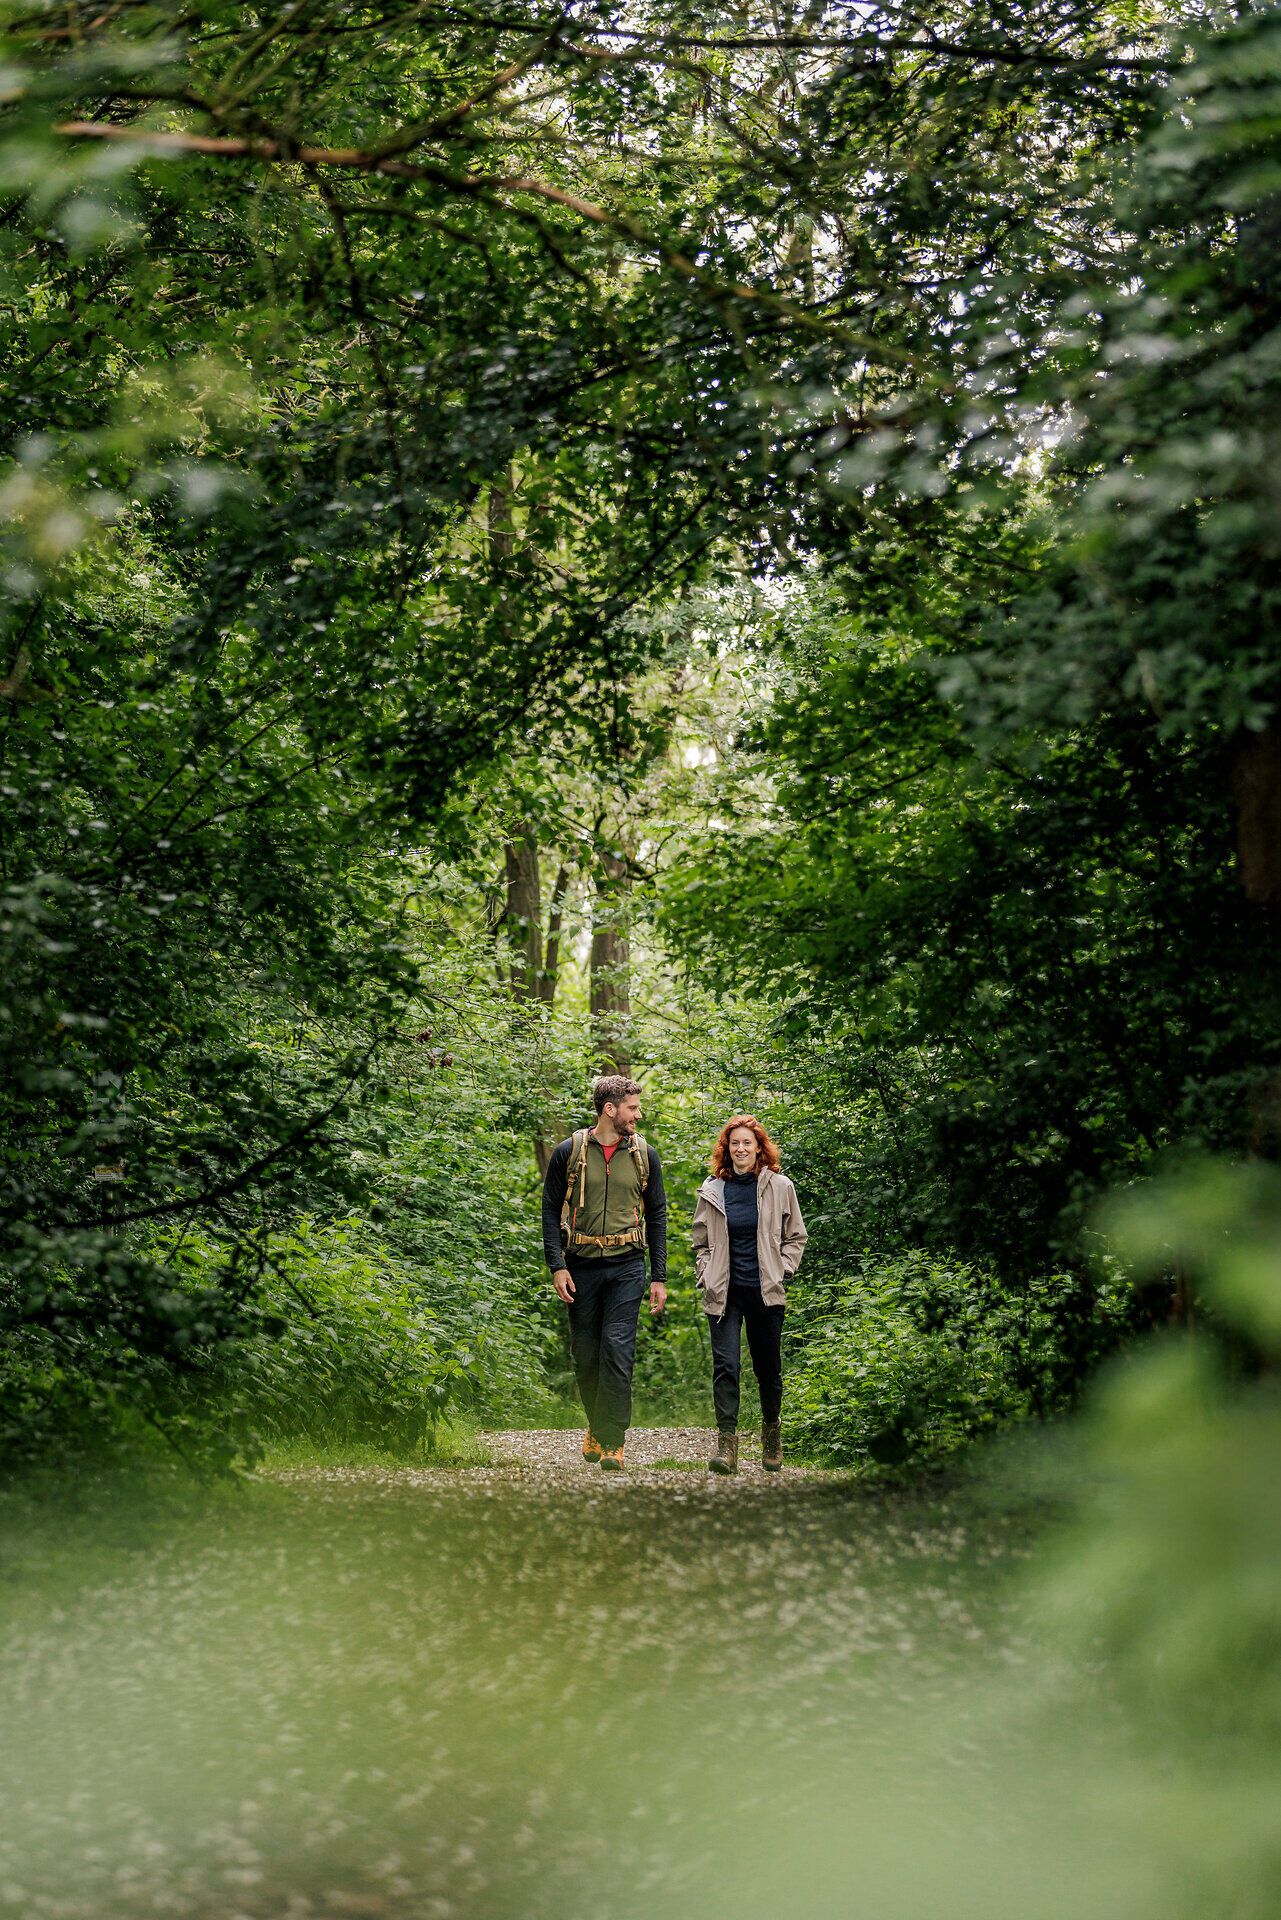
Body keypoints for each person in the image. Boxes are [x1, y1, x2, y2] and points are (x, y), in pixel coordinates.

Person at [542, 1074, 668, 1470]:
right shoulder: (570, 1151)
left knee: (617, 1348)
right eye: (632, 1108)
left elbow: (658, 1214)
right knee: (585, 1355)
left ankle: (613, 1440)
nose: (638, 1115)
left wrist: (659, 1276)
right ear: (610, 1109)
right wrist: (557, 1266)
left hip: (627, 1265)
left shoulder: (645, 1155)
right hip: (580, 1265)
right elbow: (549, 1210)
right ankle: (597, 1426)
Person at [691, 1114, 807, 1474]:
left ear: (759, 1148)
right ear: (726, 1149)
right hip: (724, 1293)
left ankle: (772, 1433)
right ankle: (726, 1446)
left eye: (747, 1143)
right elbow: (700, 1241)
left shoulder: (780, 1186)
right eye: (734, 1143)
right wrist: (706, 1272)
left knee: (767, 1368)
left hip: (765, 1292)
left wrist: (782, 1269)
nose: (740, 1149)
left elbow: (796, 1236)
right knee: (726, 1366)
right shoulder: (713, 1189)